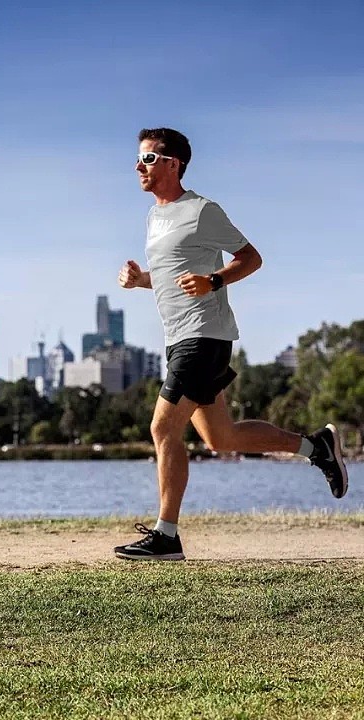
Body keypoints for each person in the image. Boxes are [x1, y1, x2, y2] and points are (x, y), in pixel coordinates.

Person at [113, 127, 348, 561]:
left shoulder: (202, 210)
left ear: (172, 164)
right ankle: (316, 446)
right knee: (221, 439)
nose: (137, 167)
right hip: (179, 336)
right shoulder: (154, 217)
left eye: (147, 159)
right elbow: (173, 279)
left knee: (163, 428)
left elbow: (251, 258)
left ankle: (167, 536)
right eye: (138, 159)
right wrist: (140, 281)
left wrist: (215, 279)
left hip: (204, 335)